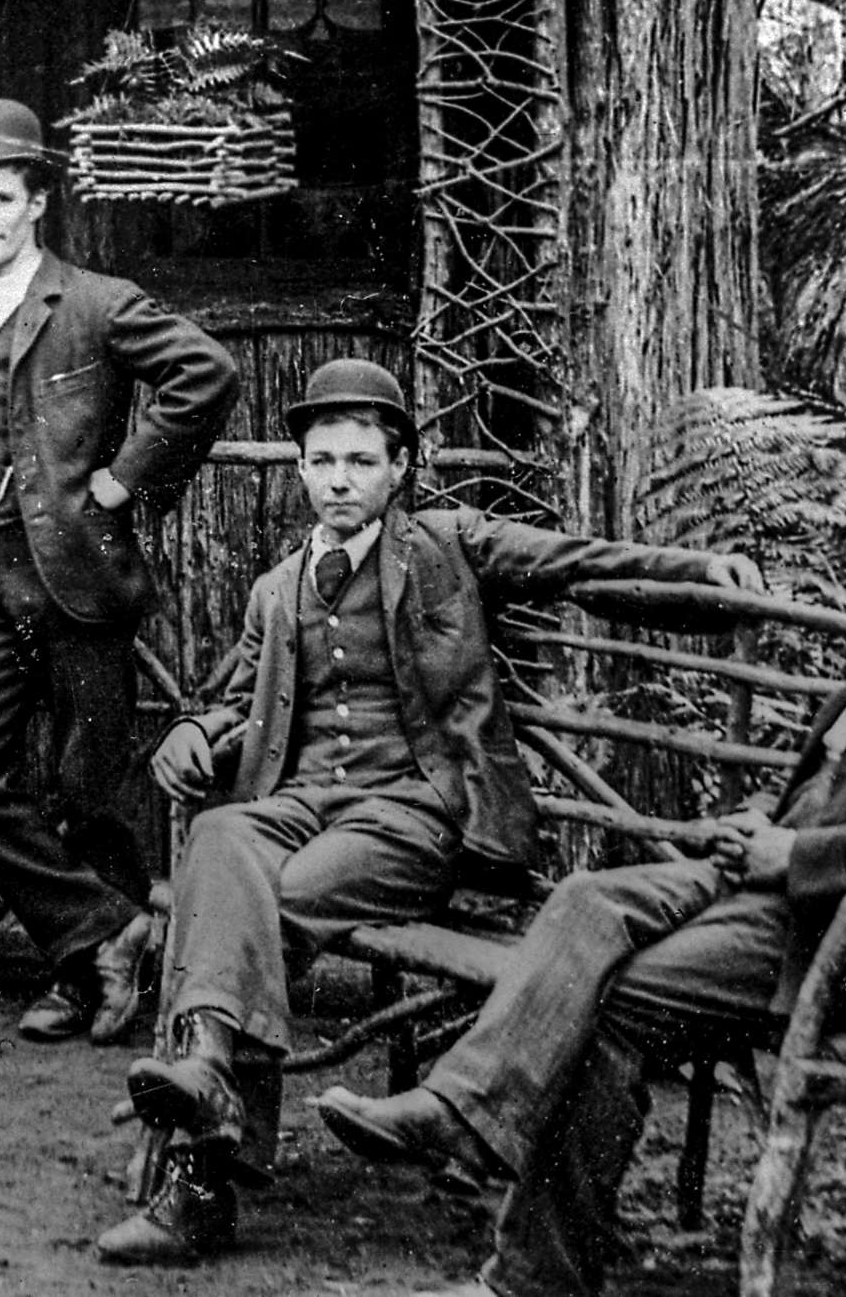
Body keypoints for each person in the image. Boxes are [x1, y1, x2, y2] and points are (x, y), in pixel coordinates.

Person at [311, 452, 846, 1297]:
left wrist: (798, 854)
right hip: (772, 891)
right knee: (587, 900)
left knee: (608, 1001)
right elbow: (838, 789)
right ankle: (463, 1111)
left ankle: (526, 1270)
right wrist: (768, 830)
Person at [100, 360, 763, 1265]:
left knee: (250, 906)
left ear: (400, 468)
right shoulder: (277, 587)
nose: (340, 479)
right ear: (300, 469)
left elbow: (574, 566)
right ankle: (208, 1075)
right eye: (323, 460)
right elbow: (232, 697)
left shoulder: (447, 547)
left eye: (362, 461)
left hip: (413, 814)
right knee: (221, 835)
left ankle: (200, 1183)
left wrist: (699, 578)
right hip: (300, 806)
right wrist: (194, 731)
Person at [0, 97, 239, 1045]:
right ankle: (104, 933)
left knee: (90, 788)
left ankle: (88, 979)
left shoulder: (95, 301)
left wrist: (126, 480)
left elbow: (205, 375)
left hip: (77, 578)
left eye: (1, 199)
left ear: (37, 202)